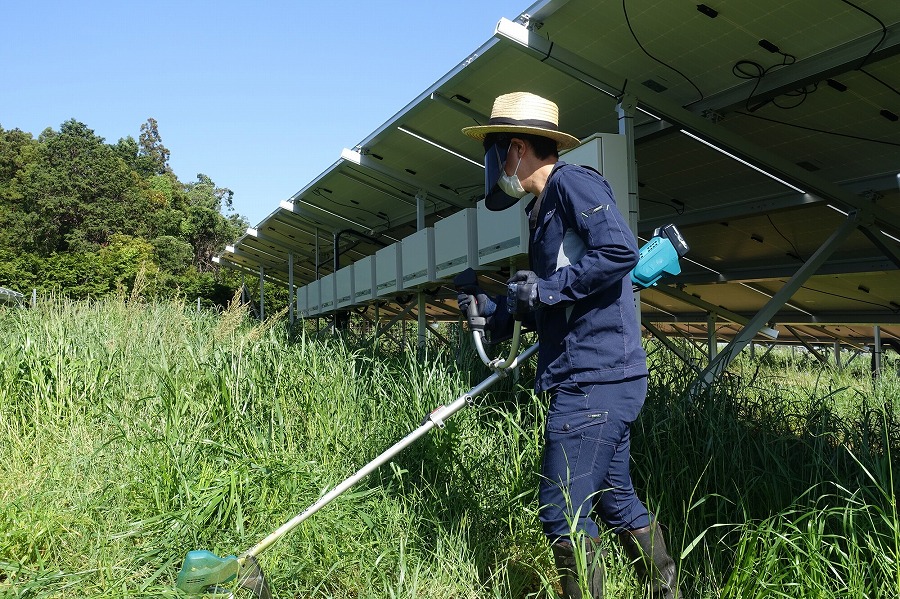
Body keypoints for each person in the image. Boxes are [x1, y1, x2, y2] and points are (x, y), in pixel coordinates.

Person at [457, 92, 682, 599]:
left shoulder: (572, 183)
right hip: (600, 378)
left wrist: (547, 288)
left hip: (593, 381)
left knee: (563, 510)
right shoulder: (542, 208)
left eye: (495, 153)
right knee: (616, 502)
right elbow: (560, 304)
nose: (495, 167)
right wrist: (494, 311)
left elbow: (620, 250)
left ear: (516, 149)